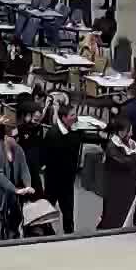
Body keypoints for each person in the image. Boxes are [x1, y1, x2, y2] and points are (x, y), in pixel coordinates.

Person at [40, 96, 83, 234]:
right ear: (63, 118)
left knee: (68, 209)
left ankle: (69, 233)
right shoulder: (53, 135)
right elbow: (48, 157)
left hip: (68, 178)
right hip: (54, 179)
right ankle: (44, 232)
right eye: (72, 115)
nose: (75, 117)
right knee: (48, 207)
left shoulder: (74, 130)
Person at [98, 117, 136, 229]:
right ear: (121, 132)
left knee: (130, 212)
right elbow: (127, 162)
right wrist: (134, 156)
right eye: (129, 131)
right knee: (116, 215)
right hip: (117, 189)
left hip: (132, 186)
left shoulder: (132, 143)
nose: (132, 134)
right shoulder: (112, 147)